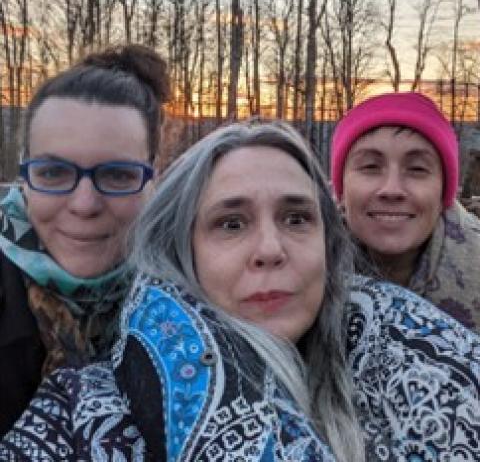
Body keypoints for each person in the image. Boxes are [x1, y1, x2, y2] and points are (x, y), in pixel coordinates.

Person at [2, 120, 480, 461]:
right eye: (231, 223)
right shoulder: (82, 412)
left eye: (297, 218)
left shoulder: (427, 354)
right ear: (179, 251)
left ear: (329, 247)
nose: (270, 250)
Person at [0, 44, 170, 437]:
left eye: (118, 175)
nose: (84, 205)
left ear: (152, 178)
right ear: (25, 174)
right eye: (54, 172)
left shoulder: (191, 307)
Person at [331, 91, 480, 332]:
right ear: (341, 190)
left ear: (443, 193)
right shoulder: (299, 270)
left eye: (417, 169)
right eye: (370, 166)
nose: (392, 189)